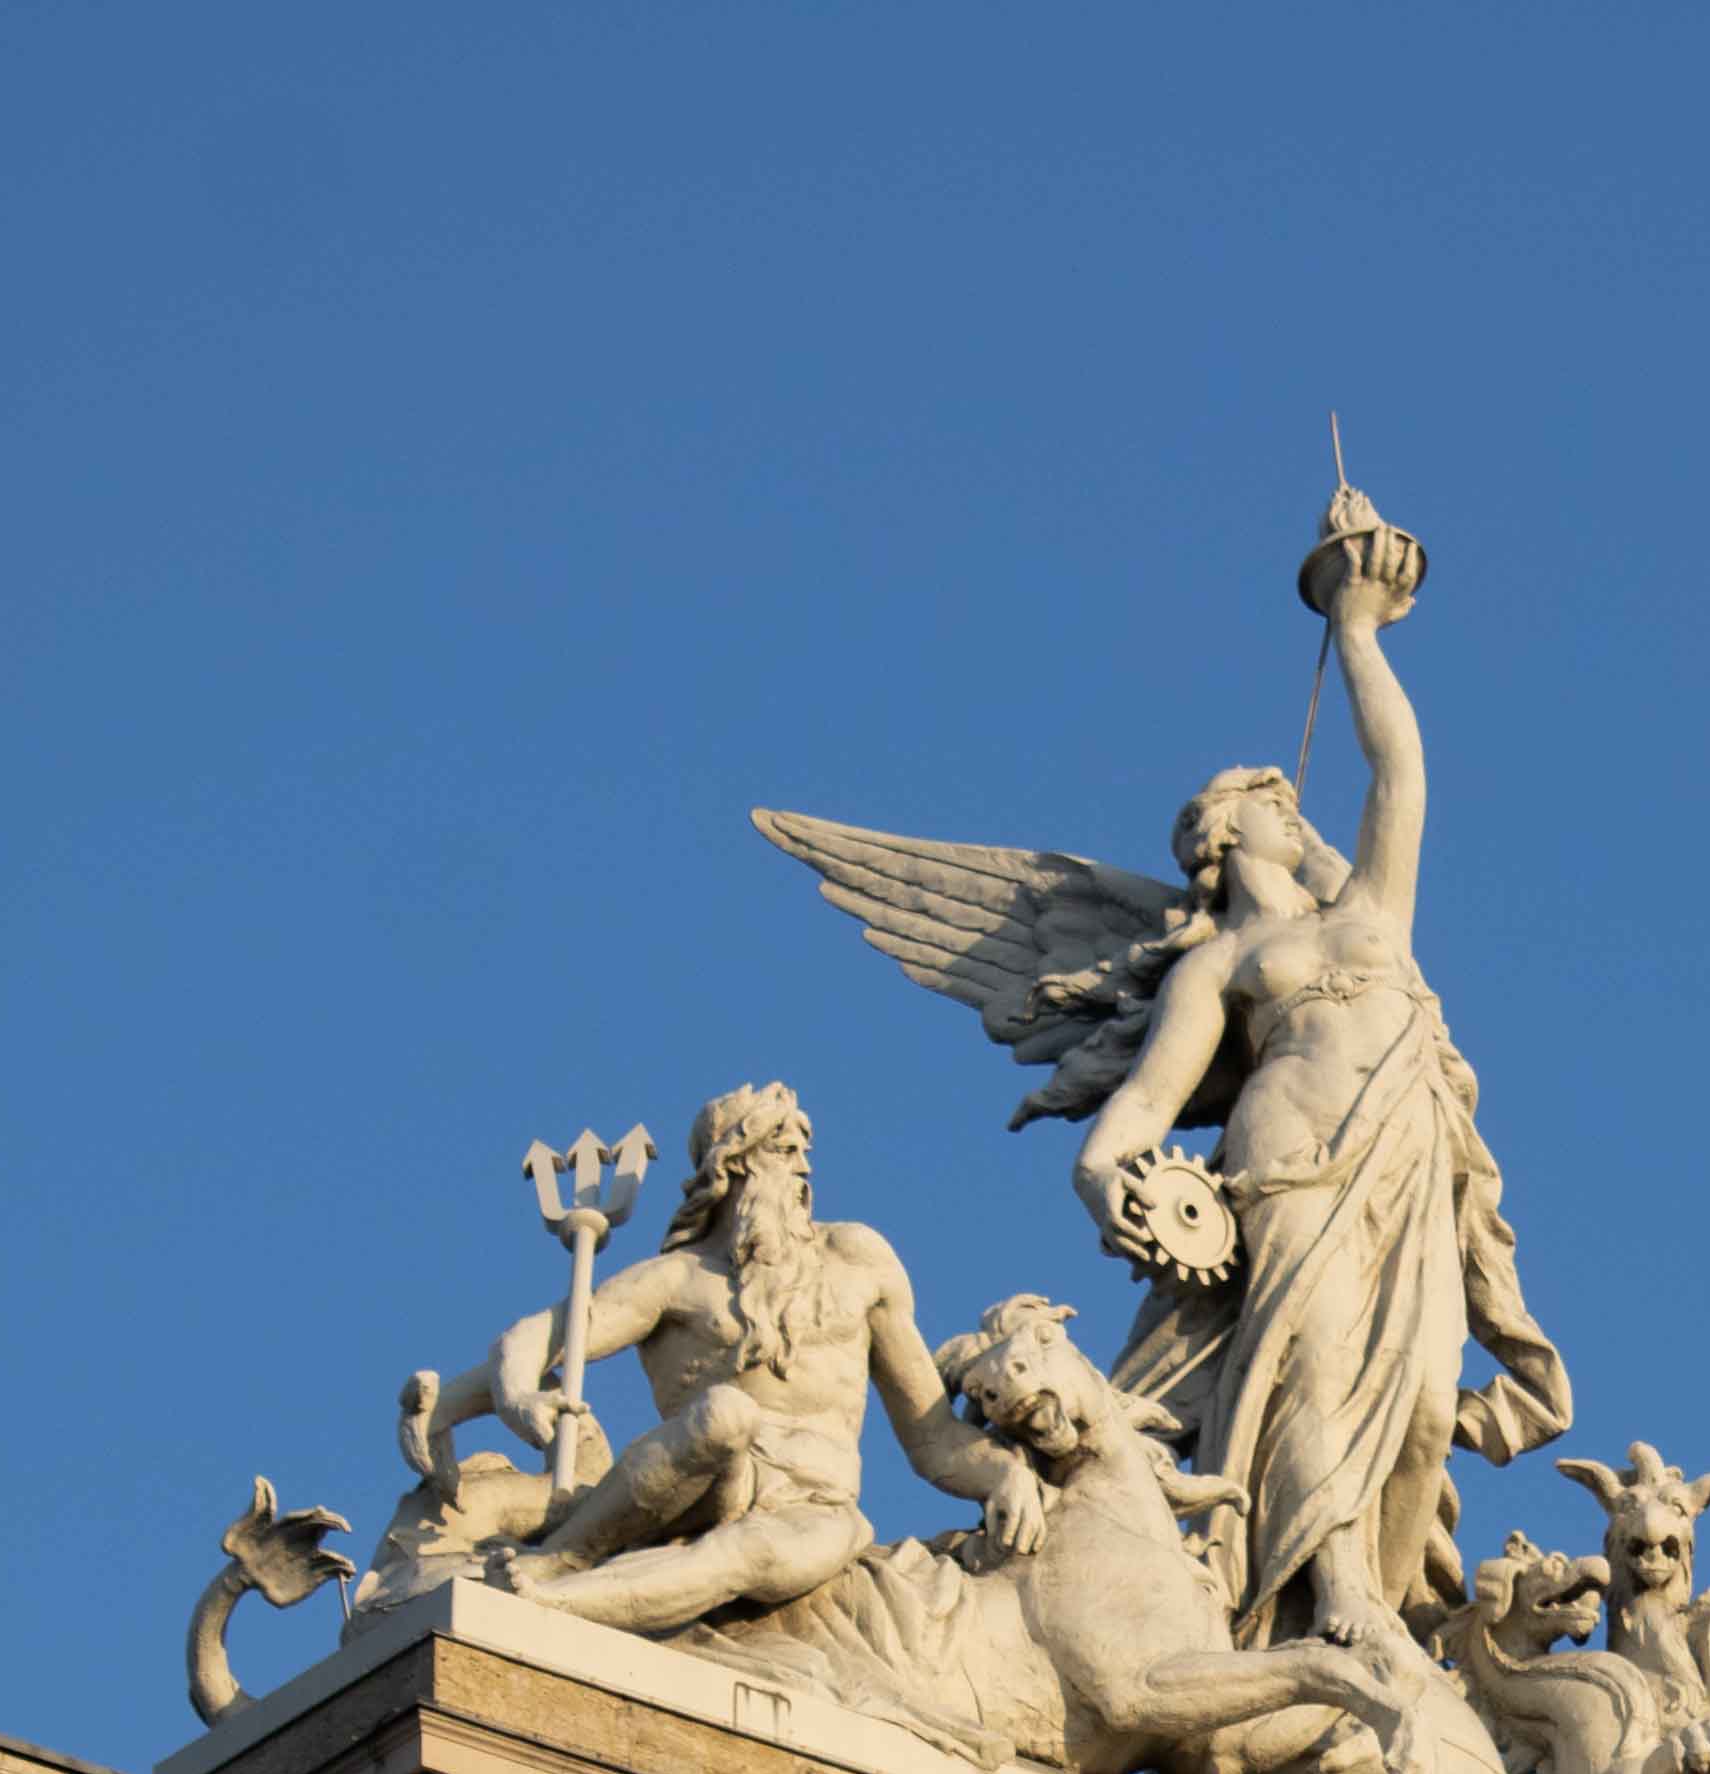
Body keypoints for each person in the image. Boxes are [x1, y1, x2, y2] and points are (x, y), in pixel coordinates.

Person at [1063, 496, 1569, 1653]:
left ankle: (1376, 1583)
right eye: (1277, 803)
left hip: (1403, 1163)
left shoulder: (1373, 912)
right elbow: (1146, 1100)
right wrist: (1105, 1176)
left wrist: (1357, 630)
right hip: (1291, 1174)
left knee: (1426, 1404)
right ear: (1230, 832)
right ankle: (1333, 1584)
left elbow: (1403, 772)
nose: (1299, 812)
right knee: (1322, 1364)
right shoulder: (1229, 964)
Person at [472, 1084, 1030, 1637]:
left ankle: (557, 1605)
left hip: (816, 1503)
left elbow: (931, 1436)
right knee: (725, 1413)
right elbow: (537, 1337)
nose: (804, 1168)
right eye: (784, 1151)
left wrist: (1005, 1473)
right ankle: (565, 1558)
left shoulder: (860, 1260)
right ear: (732, 1166)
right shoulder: (680, 1279)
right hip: (705, 1484)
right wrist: (519, 1393)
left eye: (805, 1152)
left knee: (750, 1551)